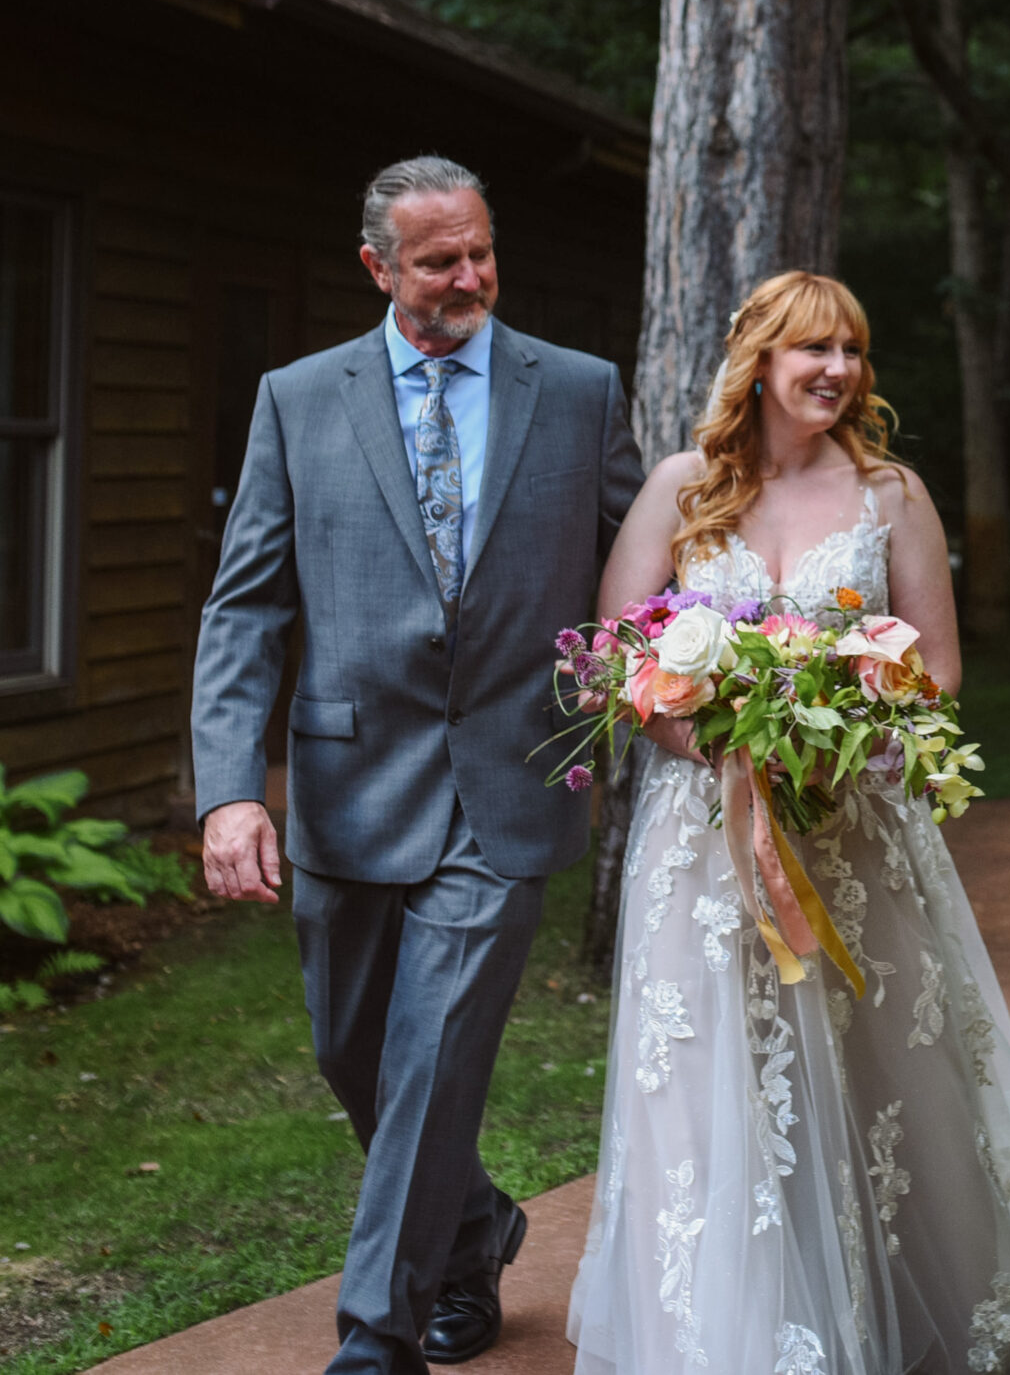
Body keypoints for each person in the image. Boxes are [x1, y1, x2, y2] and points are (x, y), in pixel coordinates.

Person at [566, 271, 1010, 1375]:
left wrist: (822, 748)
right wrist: (712, 742)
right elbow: (609, 659)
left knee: (876, 1078)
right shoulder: (682, 486)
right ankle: (719, 1326)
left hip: (851, 838)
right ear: (757, 362)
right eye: (812, 349)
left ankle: (895, 1302)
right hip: (699, 850)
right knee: (708, 1083)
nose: (838, 371)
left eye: (853, 350)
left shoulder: (891, 493)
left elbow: (936, 672)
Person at [193, 156, 644, 1375]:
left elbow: (648, 562)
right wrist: (234, 785)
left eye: (480, 250)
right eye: (439, 259)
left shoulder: (579, 389)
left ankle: (372, 1335)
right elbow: (245, 608)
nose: (469, 276)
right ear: (378, 267)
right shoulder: (298, 396)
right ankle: (474, 1227)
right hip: (348, 783)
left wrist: (710, 657)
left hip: (513, 772)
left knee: (435, 1047)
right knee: (357, 1053)